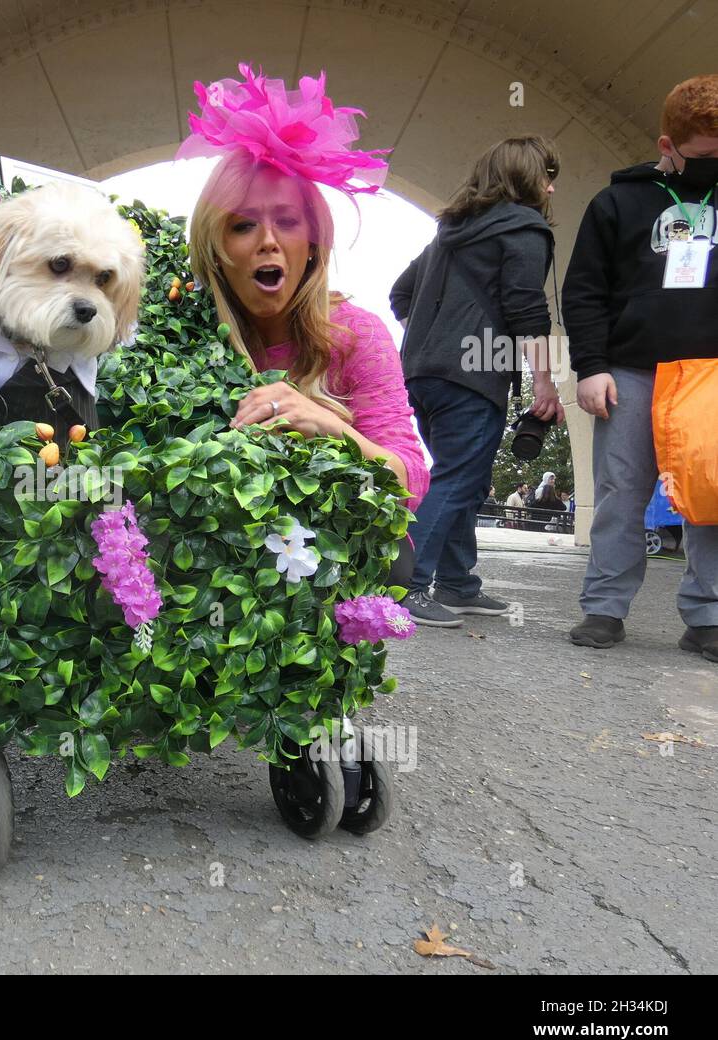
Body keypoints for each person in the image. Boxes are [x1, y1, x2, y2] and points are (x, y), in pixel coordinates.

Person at [179, 67, 430, 590]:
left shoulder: (357, 333)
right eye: (243, 224)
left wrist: (326, 424)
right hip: (207, 564)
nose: (268, 241)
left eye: (287, 222)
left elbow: (409, 479)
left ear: (312, 242)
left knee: (396, 562)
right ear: (216, 249)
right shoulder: (183, 333)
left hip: (322, 563)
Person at [564, 74, 718, 658]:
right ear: (667, 147)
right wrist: (590, 366)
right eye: (703, 156)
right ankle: (604, 609)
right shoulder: (615, 203)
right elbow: (584, 290)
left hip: (711, 375)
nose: (714, 164)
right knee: (620, 491)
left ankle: (708, 615)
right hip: (630, 370)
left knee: (710, 495)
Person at [390, 137, 565, 627]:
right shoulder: (526, 229)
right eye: (547, 175)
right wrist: (545, 385)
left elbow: (400, 294)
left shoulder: (449, 233)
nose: (552, 187)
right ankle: (407, 586)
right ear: (528, 178)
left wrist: (434, 338)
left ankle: (458, 584)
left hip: (422, 375)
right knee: (458, 476)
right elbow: (528, 310)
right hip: (471, 376)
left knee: (463, 477)